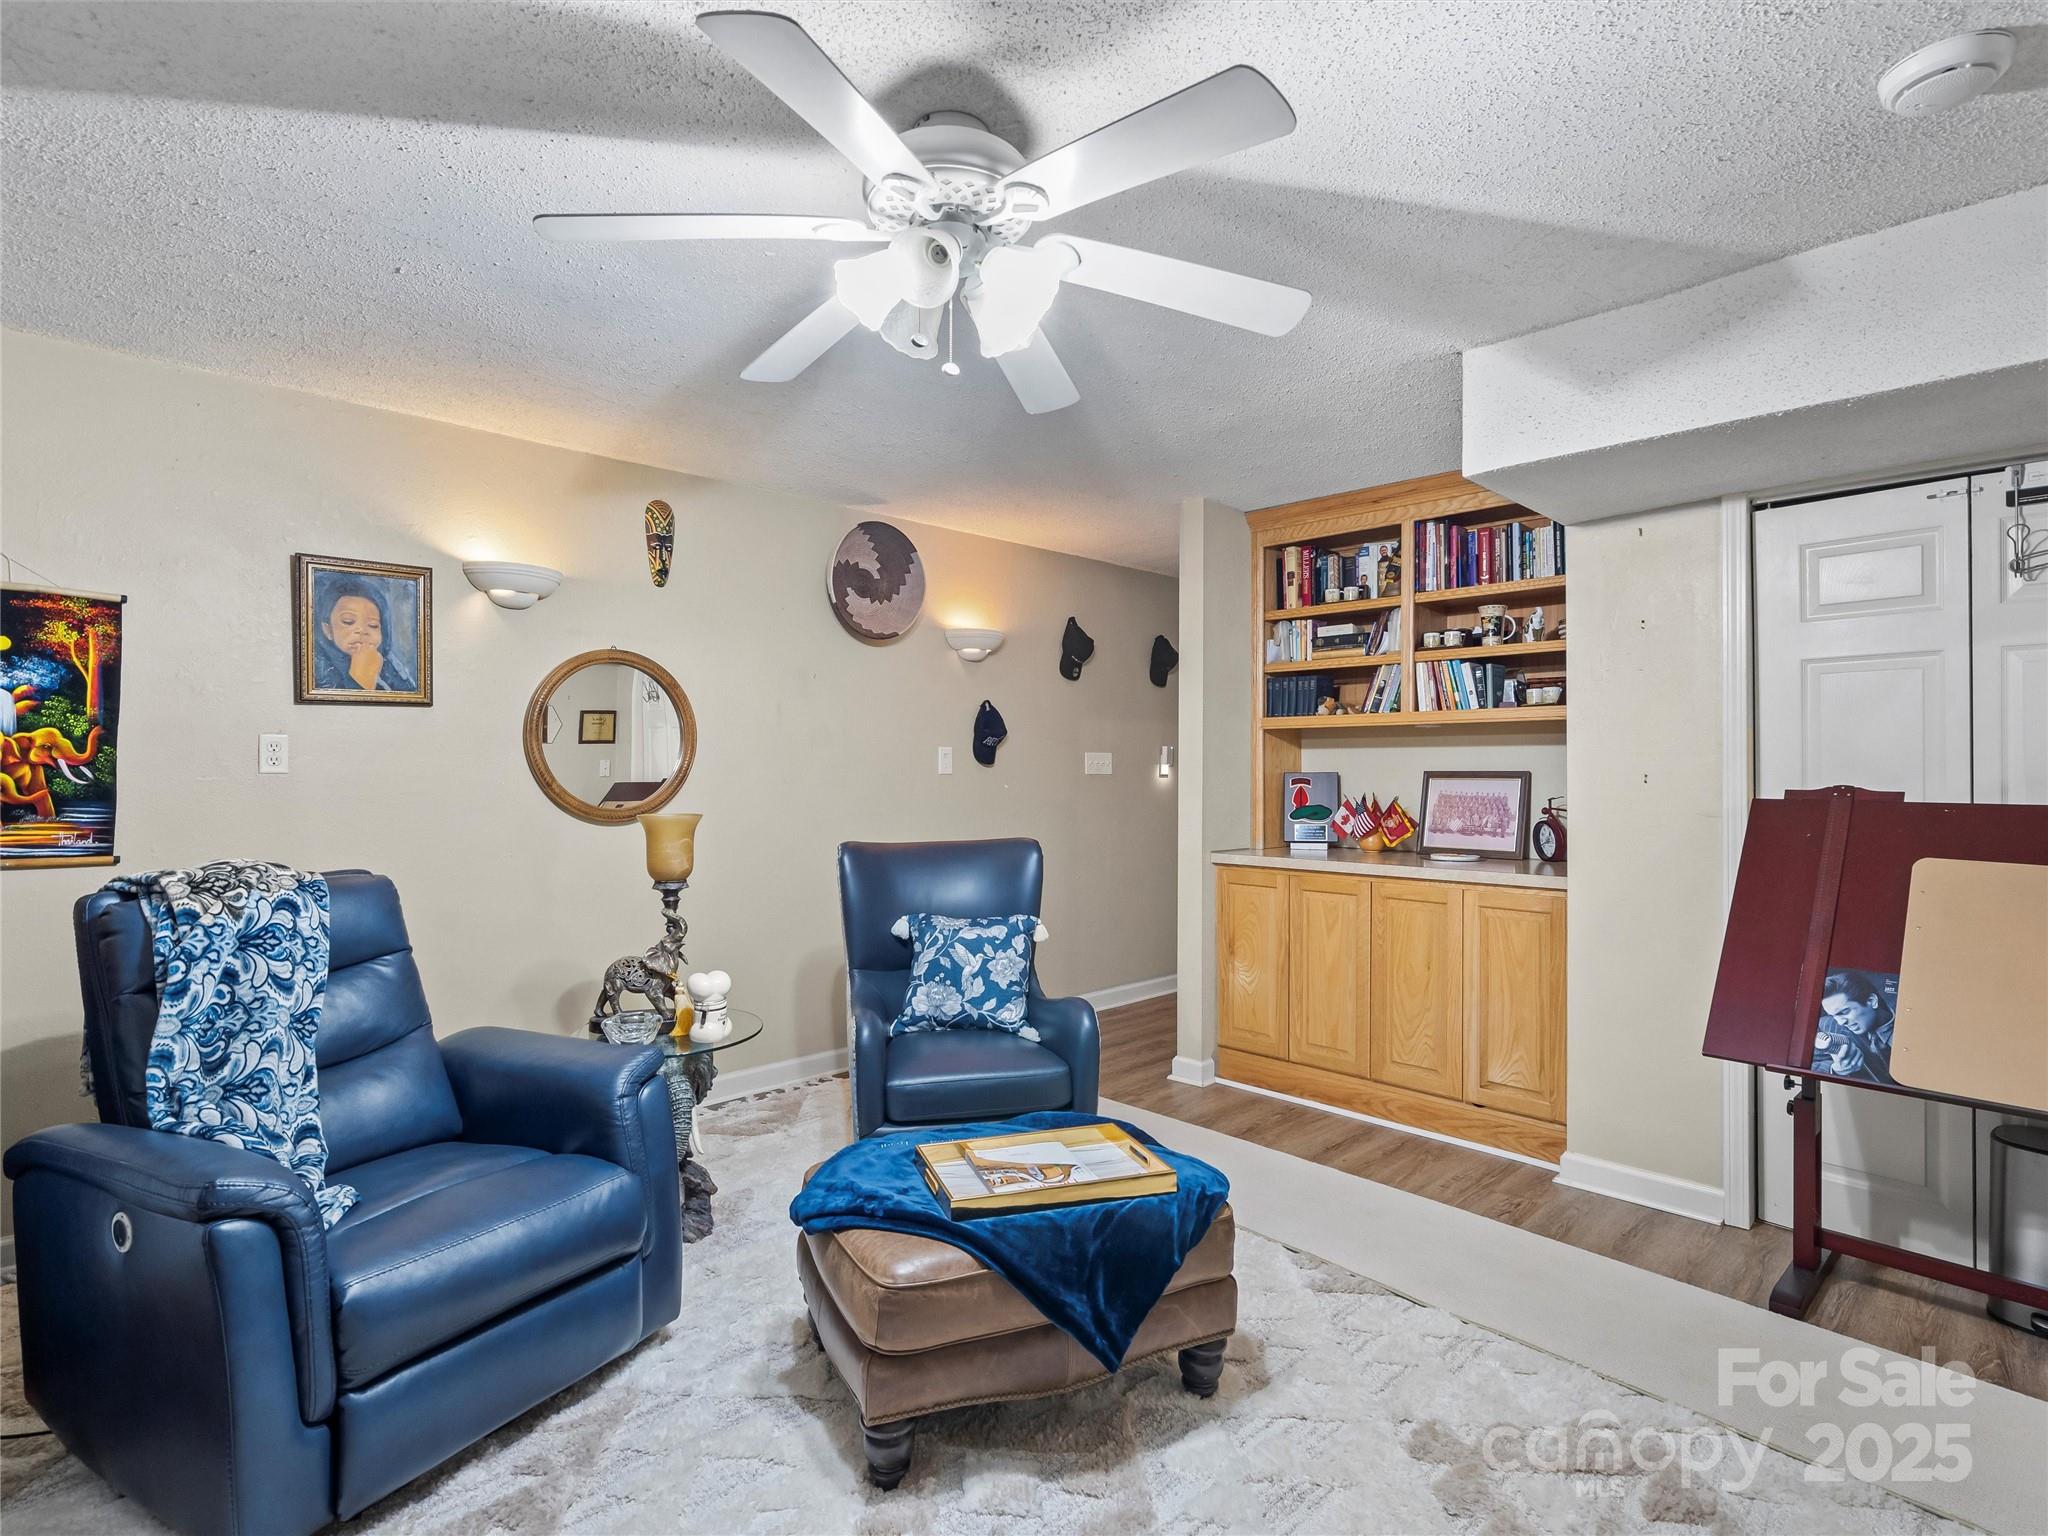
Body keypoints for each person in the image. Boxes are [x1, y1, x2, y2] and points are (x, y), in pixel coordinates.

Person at [312, 576, 416, 694]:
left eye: (373, 625)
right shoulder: (318, 669)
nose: (362, 630)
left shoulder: (389, 665)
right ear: (328, 630)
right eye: (348, 621)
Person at [1812, 968, 1897, 1086]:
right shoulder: (1827, 1026)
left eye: (1844, 1012)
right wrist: (1835, 1070)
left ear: (1872, 1001)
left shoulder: (1912, 1031)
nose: (1840, 1022)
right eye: (1833, 1015)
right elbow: (1808, 1064)